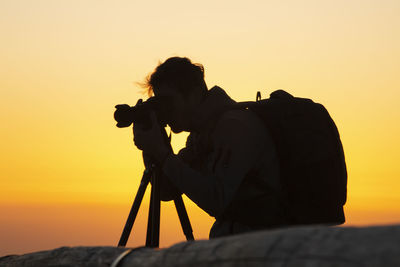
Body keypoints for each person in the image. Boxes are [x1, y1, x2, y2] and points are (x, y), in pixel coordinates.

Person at [133, 57, 288, 238]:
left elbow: (216, 200)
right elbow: (167, 189)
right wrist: (151, 147)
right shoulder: (202, 135)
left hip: (262, 247)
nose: (165, 111)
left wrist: (163, 154)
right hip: (239, 246)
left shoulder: (234, 127)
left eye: (168, 102)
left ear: (194, 93)